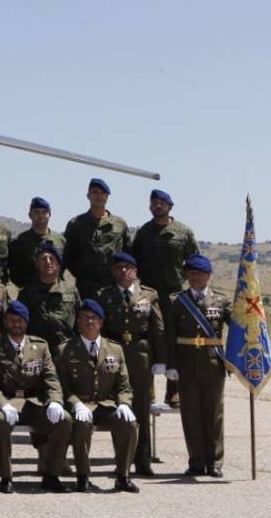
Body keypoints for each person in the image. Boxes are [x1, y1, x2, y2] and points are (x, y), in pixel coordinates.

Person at [0, 300, 72, 493]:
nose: (16, 324)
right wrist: (3, 404)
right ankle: (6, 477)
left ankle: (52, 474)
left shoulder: (40, 346)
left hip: (33, 403)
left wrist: (55, 401)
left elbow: (50, 377)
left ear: (27, 322)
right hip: (7, 401)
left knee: (64, 419)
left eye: (20, 320)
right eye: (12, 320)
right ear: (5, 322)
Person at [57, 299, 139, 492]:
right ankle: (83, 476)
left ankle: (123, 476)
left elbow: (124, 385)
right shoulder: (65, 350)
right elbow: (62, 386)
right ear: (78, 322)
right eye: (84, 318)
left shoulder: (115, 349)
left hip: (105, 404)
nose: (89, 322)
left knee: (129, 423)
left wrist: (124, 403)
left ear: (101, 322)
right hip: (80, 404)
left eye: (94, 318)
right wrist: (75, 403)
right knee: (82, 423)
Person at [95, 252, 164, 475]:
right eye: (118, 268)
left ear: (135, 271)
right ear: (113, 272)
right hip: (114, 355)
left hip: (140, 356)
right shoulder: (104, 295)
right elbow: (100, 330)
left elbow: (158, 328)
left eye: (127, 267)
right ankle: (122, 461)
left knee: (141, 408)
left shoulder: (149, 295)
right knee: (119, 409)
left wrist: (160, 360)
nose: (123, 271)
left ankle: (143, 461)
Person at [164, 254, 231, 478]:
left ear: (208, 275)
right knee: (191, 414)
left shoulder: (221, 301)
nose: (194, 277)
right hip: (186, 365)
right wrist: (171, 365)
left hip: (213, 364)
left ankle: (215, 462)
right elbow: (170, 335)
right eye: (191, 273)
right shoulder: (177, 301)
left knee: (214, 414)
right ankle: (196, 461)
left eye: (199, 273)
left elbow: (238, 328)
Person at [132, 188, 198, 408]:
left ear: (170, 206)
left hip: (174, 295)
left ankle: (173, 391)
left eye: (162, 202)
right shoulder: (143, 233)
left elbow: (194, 261)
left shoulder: (183, 232)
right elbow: (134, 261)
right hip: (148, 295)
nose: (158, 206)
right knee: (147, 339)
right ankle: (148, 391)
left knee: (174, 339)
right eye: (154, 202)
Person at [62, 178, 130, 298]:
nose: (99, 196)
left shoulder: (120, 224)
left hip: (114, 288)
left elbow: (128, 255)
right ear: (88, 195)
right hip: (85, 288)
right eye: (95, 192)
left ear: (107, 197)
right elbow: (67, 257)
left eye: (102, 193)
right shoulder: (76, 224)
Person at [17, 242, 80, 357]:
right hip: (37, 352)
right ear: (37, 264)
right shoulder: (26, 293)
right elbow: (20, 324)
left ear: (59, 264)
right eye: (43, 259)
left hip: (66, 351)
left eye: (52, 258)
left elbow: (79, 322)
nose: (48, 262)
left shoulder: (71, 291)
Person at [8, 196, 66, 290]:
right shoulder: (20, 241)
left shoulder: (60, 240)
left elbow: (64, 267)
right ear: (30, 215)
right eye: (36, 212)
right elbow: (14, 272)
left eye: (44, 212)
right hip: (31, 294)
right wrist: (28, 288)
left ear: (50, 214)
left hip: (56, 292)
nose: (40, 215)